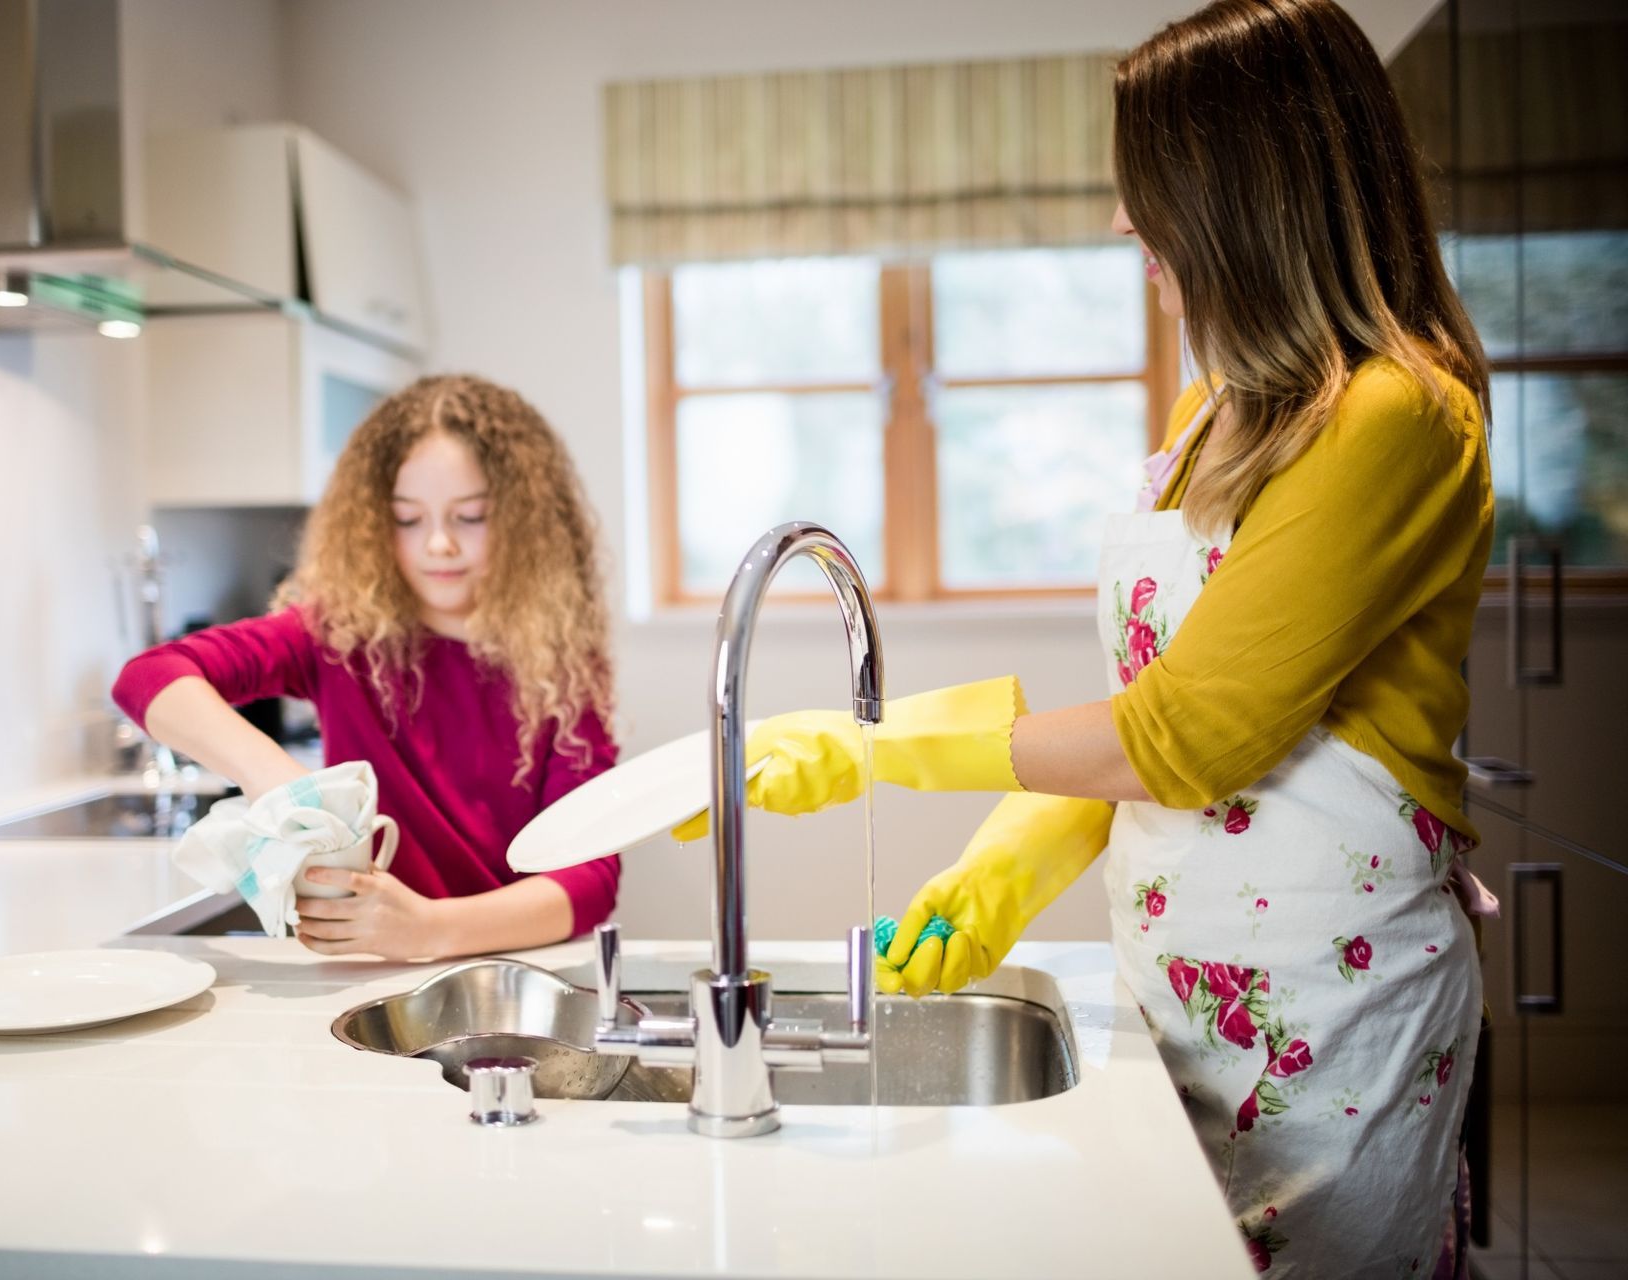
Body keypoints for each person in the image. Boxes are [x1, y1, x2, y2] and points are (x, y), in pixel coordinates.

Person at [727, 2, 1491, 1274]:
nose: (1122, 222)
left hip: (1327, 1016)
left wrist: (875, 747)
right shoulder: (1222, 409)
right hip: (1184, 987)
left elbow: (1182, 737)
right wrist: (1004, 872)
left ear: (1247, 191)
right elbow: (1162, 696)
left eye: (1148, 191)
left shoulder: (1399, 416)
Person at [112, 375, 620, 961]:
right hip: (364, 976)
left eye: (470, 516)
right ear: (376, 524)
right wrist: (278, 781)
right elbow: (148, 676)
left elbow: (592, 879)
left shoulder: (563, 668)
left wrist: (431, 928)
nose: (438, 545)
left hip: (509, 967)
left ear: (526, 522)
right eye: (408, 519)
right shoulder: (339, 636)